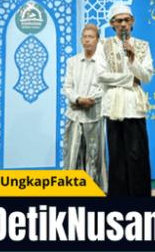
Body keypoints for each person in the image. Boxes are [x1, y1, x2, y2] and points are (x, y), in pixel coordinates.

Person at [95, 4, 154, 196]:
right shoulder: (103, 45)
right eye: (119, 21)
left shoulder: (142, 46)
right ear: (112, 24)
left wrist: (133, 60)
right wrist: (130, 79)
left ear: (132, 22)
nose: (123, 24)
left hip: (135, 106)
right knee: (117, 155)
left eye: (126, 20)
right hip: (113, 107)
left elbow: (146, 76)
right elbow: (101, 75)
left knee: (138, 154)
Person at [62, 23, 107, 193]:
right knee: (72, 153)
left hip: (93, 115)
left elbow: (103, 88)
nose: (87, 40)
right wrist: (78, 100)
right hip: (74, 115)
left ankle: (94, 190)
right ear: (81, 40)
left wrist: (89, 101)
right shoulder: (72, 62)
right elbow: (67, 87)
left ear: (98, 40)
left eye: (91, 37)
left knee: (93, 156)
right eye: (85, 37)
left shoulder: (103, 63)